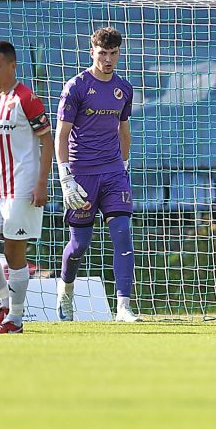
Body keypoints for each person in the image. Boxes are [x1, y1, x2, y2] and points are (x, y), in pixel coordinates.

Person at [0, 41, 54, 334]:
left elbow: (47, 140)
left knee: (14, 252)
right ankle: (6, 302)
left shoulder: (27, 98)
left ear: (13, 66)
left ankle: (15, 319)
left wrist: (42, 182)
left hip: (21, 187)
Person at [55, 27, 137, 322]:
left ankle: (124, 307)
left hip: (113, 172)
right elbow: (61, 134)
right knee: (80, 245)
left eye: (113, 53)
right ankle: (66, 290)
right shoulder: (76, 87)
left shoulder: (124, 88)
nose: (108, 59)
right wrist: (65, 177)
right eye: (102, 53)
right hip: (81, 175)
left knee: (123, 233)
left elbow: (124, 131)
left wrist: (123, 167)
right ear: (92, 52)